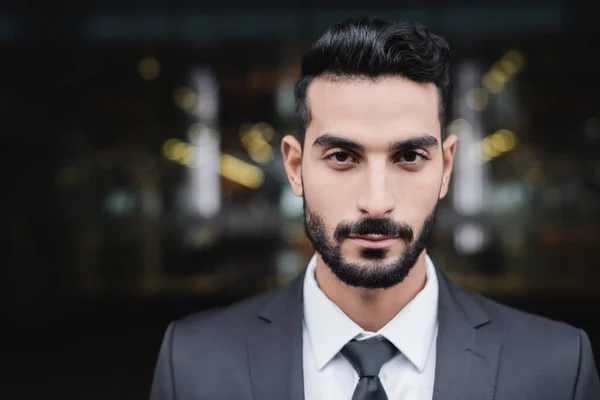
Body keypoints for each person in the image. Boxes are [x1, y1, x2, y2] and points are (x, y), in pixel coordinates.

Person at [149, 16, 599, 400]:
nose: (377, 201)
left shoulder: (557, 369)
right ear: (294, 166)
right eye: (343, 157)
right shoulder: (191, 364)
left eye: (409, 158)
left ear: (445, 169)